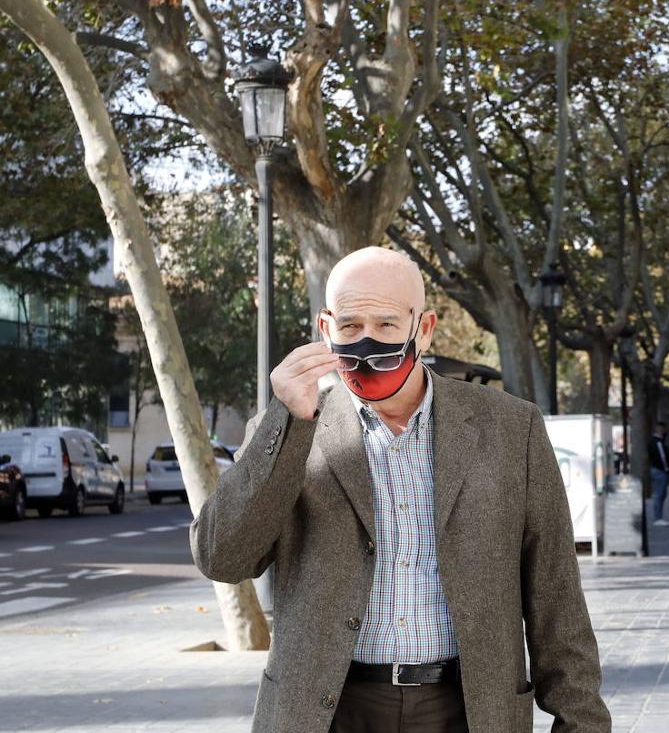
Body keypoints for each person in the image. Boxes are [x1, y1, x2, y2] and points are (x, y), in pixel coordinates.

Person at [191, 247, 610, 733]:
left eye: (386, 325)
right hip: (326, 712)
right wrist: (286, 422)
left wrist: (581, 723)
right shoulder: (289, 430)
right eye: (349, 326)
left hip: (468, 711)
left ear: (424, 328)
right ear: (325, 328)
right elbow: (222, 558)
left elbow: (557, 599)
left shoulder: (512, 430)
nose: (366, 342)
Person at [648, 422, 669, 525]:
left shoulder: (657, 441)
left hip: (657, 469)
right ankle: (658, 518)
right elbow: (662, 457)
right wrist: (666, 468)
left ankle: (659, 517)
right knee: (659, 494)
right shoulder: (658, 442)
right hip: (660, 470)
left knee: (661, 494)